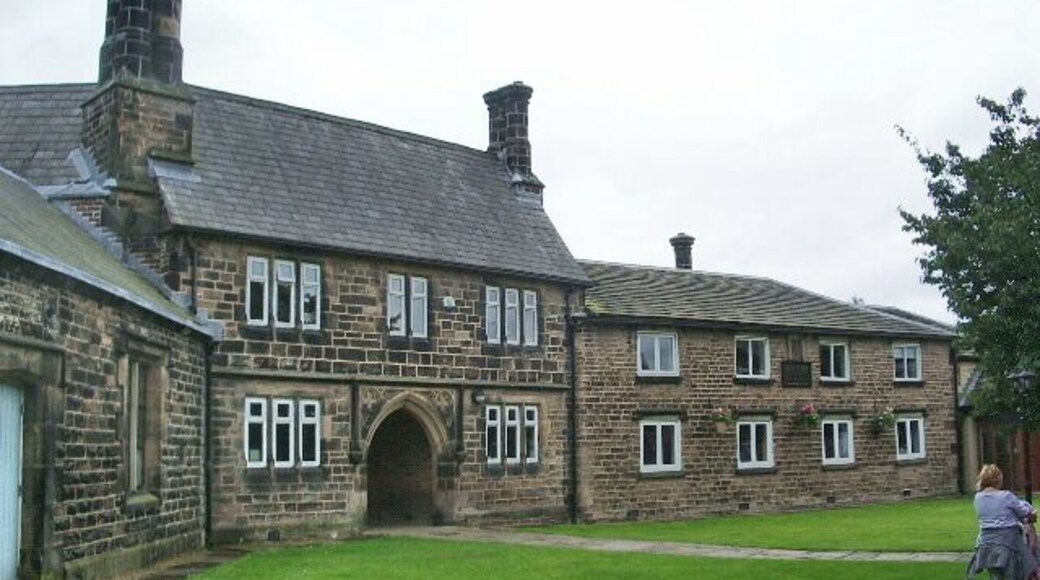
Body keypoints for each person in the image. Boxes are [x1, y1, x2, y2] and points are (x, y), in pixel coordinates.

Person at [967, 464, 1040, 579]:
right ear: (998, 479)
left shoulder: (978, 498)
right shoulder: (1006, 496)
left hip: (987, 541)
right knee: (1027, 562)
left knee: (997, 575)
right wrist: (1032, 514)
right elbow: (1025, 513)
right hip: (1009, 541)